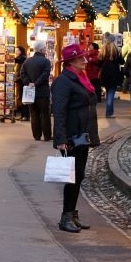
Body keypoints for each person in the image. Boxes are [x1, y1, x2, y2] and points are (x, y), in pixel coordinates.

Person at [50, 43, 100, 233]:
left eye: (84, 57)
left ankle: (72, 213)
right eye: (81, 58)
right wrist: (60, 138)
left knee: (78, 175)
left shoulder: (81, 78)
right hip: (71, 136)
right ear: (70, 61)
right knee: (72, 177)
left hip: (82, 135)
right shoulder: (63, 81)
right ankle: (66, 217)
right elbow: (59, 112)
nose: (85, 60)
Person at [20, 40, 53, 141]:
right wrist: (36, 83)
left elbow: (22, 73)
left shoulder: (27, 61)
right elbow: (45, 75)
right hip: (42, 91)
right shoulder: (46, 61)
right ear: (42, 49)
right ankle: (47, 136)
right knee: (45, 113)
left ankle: (36, 135)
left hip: (30, 92)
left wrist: (29, 83)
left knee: (34, 114)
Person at [98, 40, 125, 118]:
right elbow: (122, 62)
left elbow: (99, 64)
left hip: (105, 75)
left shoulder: (103, 52)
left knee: (108, 92)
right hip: (114, 75)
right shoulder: (116, 52)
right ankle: (109, 113)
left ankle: (108, 111)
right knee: (111, 94)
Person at [13, 46, 28, 120]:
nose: (16, 52)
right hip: (20, 81)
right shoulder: (21, 59)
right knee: (20, 98)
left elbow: (22, 72)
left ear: (21, 51)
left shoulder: (22, 58)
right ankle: (23, 115)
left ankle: (25, 115)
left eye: (17, 50)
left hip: (22, 81)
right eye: (15, 50)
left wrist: (17, 78)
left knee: (22, 98)